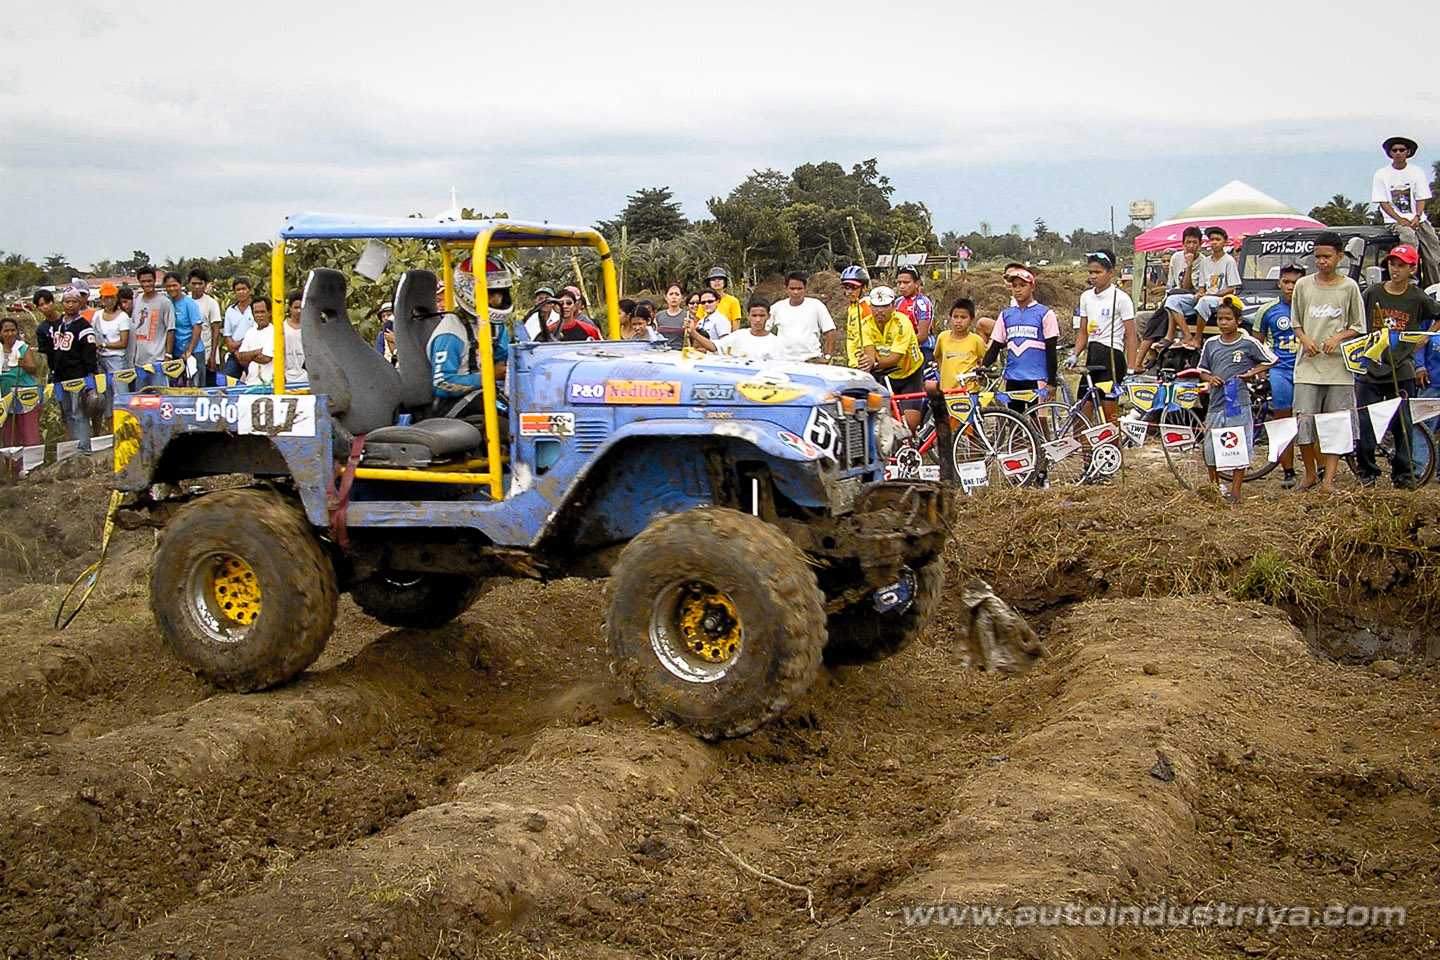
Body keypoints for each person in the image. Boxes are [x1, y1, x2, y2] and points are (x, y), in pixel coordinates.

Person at [1355, 245, 1440, 487]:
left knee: (1403, 424)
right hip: (1371, 367)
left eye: (1401, 265)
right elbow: (1357, 318)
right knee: (1366, 424)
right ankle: (1367, 472)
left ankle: (1403, 473)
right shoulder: (1372, 292)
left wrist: (1427, 335)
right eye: (1392, 264)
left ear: (1413, 268)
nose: (1395, 269)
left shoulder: (1417, 296)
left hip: (1402, 368)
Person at [1292, 231, 1365, 494]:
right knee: (1304, 422)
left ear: (1339, 257)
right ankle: (1310, 473)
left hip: (1339, 370)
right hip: (1308, 368)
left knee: (1336, 424)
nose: (1321, 261)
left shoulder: (1349, 287)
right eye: (1317, 257)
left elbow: (1358, 326)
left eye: (1326, 257)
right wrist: (1304, 339)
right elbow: (1296, 323)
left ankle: (1329, 480)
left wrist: (1339, 337)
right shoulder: (1303, 286)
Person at [1197, 296, 1276, 503]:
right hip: (1216, 403)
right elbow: (1202, 370)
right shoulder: (1211, 344)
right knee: (1211, 447)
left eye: (1228, 319)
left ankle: (1236, 491)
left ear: (1238, 321)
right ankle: (1214, 487)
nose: (1223, 323)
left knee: (1237, 445)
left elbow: (1271, 360)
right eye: (1220, 319)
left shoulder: (1248, 342)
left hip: (1238, 402)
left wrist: (1252, 373)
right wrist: (1210, 379)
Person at [1068, 250, 1137, 423]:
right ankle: (1084, 449)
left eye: (1098, 272)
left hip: (1112, 357)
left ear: (1111, 273)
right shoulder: (1086, 297)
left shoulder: (1121, 298)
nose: (1093, 276)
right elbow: (1083, 332)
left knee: (1109, 414)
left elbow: (1131, 336)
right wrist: (1075, 355)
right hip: (1092, 355)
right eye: (1091, 272)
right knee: (1082, 412)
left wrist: (1131, 369)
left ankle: (1113, 448)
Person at [1254, 263, 1305, 488]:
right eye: (1286, 282)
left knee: (1309, 421)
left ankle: (1317, 470)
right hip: (1280, 371)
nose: (1290, 287)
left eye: (1295, 282)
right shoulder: (1268, 310)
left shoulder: (1310, 307)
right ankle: (1289, 471)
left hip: (1307, 371)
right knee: (1284, 421)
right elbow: (1257, 343)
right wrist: (1262, 369)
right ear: (1279, 283)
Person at [983, 267, 1059, 413]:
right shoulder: (1006, 315)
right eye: (1014, 286)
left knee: (1038, 423)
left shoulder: (1045, 314)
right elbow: (996, 345)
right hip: (1012, 377)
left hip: (1036, 378)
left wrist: (1051, 381)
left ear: (1032, 287)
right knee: (1014, 421)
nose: (1017, 290)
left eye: (1023, 285)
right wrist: (984, 366)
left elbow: (1051, 350)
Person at [857, 286, 925, 430]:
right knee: (888, 424)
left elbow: (894, 359)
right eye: (875, 306)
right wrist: (867, 362)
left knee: (910, 425)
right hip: (887, 373)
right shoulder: (865, 324)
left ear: (894, 307)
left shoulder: (902, 323)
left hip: (910, 372)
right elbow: (870, 353)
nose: (879, 310)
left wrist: (873, 363)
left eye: (885, 306)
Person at [1372, 136, 1439, 283]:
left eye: (1401, 150)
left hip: (1418, 219)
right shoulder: (1382, 174)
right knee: (1408, 239)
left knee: (1433, 254)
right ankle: (1410, 282)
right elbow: (1383, 202)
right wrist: (1399, 219)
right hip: (1394, 221)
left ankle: (1434, 288)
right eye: (1394, 150)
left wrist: (1417, 216)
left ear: (1408, 152)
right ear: (1390, 153)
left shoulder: (1417, 172)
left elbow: (1421, 197)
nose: (1398, 153)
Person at [39, 289, 99, 452]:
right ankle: (74, 447)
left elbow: (89, 354)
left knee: (78, 413)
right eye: (67, 301)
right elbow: (52, 351)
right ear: (62, 304)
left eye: (74, 301)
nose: (71, 305)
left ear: (80, 304)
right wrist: (52, 372)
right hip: (60, 376)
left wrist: (90, 378)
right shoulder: (58, 325)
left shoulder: (84, 327)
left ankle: (83, 448)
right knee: (67, 414)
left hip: (78, 376)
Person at [0, 317, 41, 469]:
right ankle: (14, 469)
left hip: (25, 396)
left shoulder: (23, 348)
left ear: (17, 332)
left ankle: (33, 468)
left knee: (29, 433)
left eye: (13, 330)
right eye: (6, 331)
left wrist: (24, 365)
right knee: (9, 436)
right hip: (4, 397)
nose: (10, 334)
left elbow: (33, 369)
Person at [769, 271, 836, 363]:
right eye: (792, 288)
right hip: (783, 361)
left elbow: (830, 330)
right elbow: (763, 329)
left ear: (805, 288)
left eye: (799, 288)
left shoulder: (816, 305)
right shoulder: (777, 307)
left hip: (811, 359)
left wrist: (828, 356)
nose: (796, 292)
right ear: (786, 289)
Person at [1190, 227, 1241, 344]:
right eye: (1212, 239)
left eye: (1218, 239)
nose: (1214, 242)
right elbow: (1202, 286)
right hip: (1207, 296)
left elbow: (1232, 288)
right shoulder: (1205, 262)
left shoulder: (1229, 261)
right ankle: (1183, 336)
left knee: (1204, 302)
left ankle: (1197, 338)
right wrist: (1200, 293)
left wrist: (1211, 295)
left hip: (1222, 299)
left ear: (1225, 242)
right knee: (1175, 300)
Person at [1158, 227, 1204, 352]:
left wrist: (1189, 266)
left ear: (1200, 244)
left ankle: (1186, 336)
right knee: (1143, 318)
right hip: (1174, 295)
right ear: (1183, 243)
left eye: (1195, 242)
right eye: (1188, 242)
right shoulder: (1176, 258)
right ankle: (1148, 357)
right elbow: (1171, 284)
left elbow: (1187, 287)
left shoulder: (1203, 262)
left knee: (1173, 301)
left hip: (1192, 297)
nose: (1191, 246)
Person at [689, 297, 781, 360]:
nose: (758, 320)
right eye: (754, 315)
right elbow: (715, 347)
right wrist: (693, 332)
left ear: (768, 316)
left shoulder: (775, 342)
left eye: (762, 316)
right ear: (748, 316)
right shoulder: (739, 336)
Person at [127, 266, 173, 389]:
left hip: (157, 360)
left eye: (149, 281)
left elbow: (170, 329)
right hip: (140, 361)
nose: (147, 284)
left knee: (161, 396)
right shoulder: (137, 301)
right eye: (143, 281)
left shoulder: (165, 302)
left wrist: (168, 355)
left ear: (154, 281)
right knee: (141, 398)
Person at [931, 298, 986, 390]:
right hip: (947, 390)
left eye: (963, 317)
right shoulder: (942, 337)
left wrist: (978, 376)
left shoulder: (976, 340)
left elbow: (985, 359)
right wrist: (942, 372)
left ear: (971, 320)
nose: (959, 321)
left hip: (968, 391)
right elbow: (938, 356)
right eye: (955, 317)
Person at [92, 281, 130, 400]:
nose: (109, 301)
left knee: (120, 393)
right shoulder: (97, 315)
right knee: (104, 395)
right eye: (106, 298)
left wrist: (103, 344)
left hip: (116, 359)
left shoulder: (122, 317)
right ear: (101, 299)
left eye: (112, 298)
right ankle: (109, 418)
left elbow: (123, 343)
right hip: (100, 359)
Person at [165, 271, 204, 387]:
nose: (172, 289)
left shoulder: (189, 303)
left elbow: (197, 327)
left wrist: (189, 351)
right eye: (168, 286)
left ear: (181, 285)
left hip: (194, 352)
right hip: (175, 354)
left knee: (195, 386)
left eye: (174, 285)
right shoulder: (167, 302)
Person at [893, 265, 936, 370]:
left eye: (906, 283)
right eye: (899, 283)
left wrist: (900, 346)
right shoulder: (898, 302)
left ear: (917, 284)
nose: (902, 286)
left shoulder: (922, 303)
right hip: (902, 348)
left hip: (923, 348)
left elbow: (922, 336)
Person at [188, 268, 222, 387]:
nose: (197, 287)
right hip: (187, 354)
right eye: (194, 283)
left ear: (206, 285)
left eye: (200, 284)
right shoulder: (185, 301)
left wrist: (212, 357)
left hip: (206, 353)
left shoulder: (211, 303)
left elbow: (215, 331)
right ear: (189, 284)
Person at [221, 276, 256, 382]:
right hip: (235, 354)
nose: (241, 292)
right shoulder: (230, 310)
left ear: (249, 290)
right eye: (238, 290)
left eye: (243, 289)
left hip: (253, 353)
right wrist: (236, 352)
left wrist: (238, 344)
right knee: (225, 382)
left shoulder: (256, 309)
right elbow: (227, 334)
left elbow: (256, 332)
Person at [838, 266, 872, 368]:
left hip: (863, 364)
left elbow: (871, 336)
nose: (849, 292)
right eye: (846, 287)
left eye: (854, 288)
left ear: (864, 288)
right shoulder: (852, 308)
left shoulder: (866, 308)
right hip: (853, 362)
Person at [236, 296, 275, 386]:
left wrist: (249, 355)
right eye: (256, 312)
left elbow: (265, 358)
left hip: (269, 384)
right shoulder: (250, 332)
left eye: (262, 312)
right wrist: (256, 352)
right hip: (250, 383)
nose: (259, 315)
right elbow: (241, 359)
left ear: (269, 312)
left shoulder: (274, 332)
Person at [282, 290, 306, 385]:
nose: (298, 311)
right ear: (290, 308)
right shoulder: (281, 327)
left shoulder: (310, 328)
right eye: (295, 307)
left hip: (305, 376)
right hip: (286, 376)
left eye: (301, 307)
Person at [655, 283, 688, 347]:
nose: (674, 297)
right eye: (671, 294)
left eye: (677, 294)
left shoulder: (687, 316)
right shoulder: (658, 316)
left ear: (682, 297)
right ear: (665, 297)